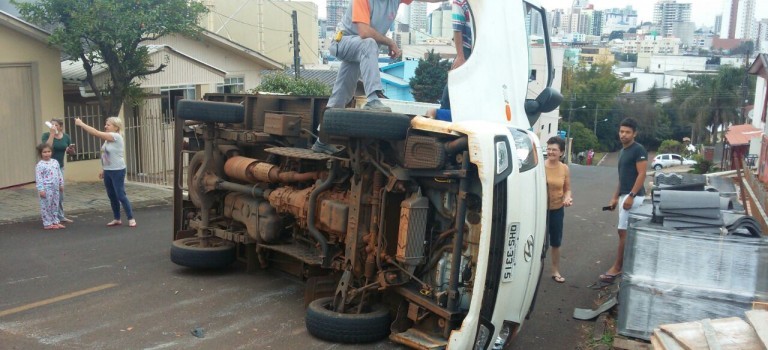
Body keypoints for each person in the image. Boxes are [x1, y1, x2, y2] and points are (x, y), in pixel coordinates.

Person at [312, 0, 441, 154]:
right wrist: (390, 42)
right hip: (343, 42)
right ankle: (373, 98)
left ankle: (321, 142)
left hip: (360, 48)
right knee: (369, 43)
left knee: (342, 93)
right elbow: (364, 32)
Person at [600, 117, 647, 283]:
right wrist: (615, 197)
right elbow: (622, 178)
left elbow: (642, 174)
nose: (624, 135)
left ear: (635, 133)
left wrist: (631, 196)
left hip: (634, 196)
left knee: (624, 232)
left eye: (627, 132)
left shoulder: (638, 150)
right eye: (621, 131)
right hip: (624, 195)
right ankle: (624, 264)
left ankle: (618, 267)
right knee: (622, 231)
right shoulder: (622, 151)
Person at [74, 116, 136, 227]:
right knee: (111, 195)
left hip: (118, 170)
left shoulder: (116, 136)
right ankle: (117, 218)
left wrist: (81, 124)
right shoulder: (107, 141)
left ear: (116, 127)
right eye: (106, 124)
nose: (105, 126)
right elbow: (106, 155)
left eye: (108, 125)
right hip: (108, 170)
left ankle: (131, 218)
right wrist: (103, 169)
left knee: (120, 195)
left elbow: (96, 133)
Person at [544, 137, 573, 283]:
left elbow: (567, 189)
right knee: (536, 242)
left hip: (556, 210)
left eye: (554, 149)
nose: (550, 152)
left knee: (555, 242)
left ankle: (555, 270)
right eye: (548, 149)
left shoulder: (564, 168)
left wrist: (567, 198)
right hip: (540, 211)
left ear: (561, 152)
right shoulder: (539, 166)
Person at [42, 118, 75, 223]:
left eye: (56, 125)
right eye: (52, 125)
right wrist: (52, 134)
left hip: (59, 167)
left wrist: (71, 151)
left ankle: (60, 215)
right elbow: (47, 148)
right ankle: (49, 216)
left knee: (60, 192)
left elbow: (70, 152)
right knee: (49, 192)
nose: (53, 127)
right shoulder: (46, 135)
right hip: (47, 167)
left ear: (60, 127)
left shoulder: (66, 137)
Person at [36, 143, 64, 230]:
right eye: (44, 152)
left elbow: (59, 173)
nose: (47, 154)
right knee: (46, 205)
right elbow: (39, 178)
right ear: (41, 153)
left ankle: (55, 220)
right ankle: (47, 223)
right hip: (46, 188)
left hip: (55, 187)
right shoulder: (40, 165)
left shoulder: (55, 162)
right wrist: (41, 189)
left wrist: (61, 183)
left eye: (49, 151)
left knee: (55, 204)